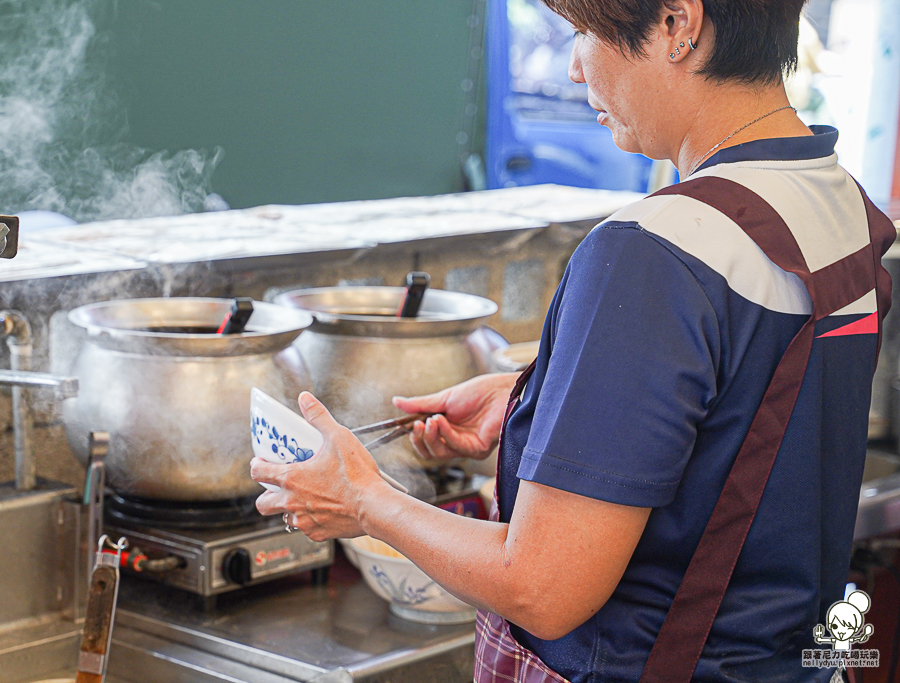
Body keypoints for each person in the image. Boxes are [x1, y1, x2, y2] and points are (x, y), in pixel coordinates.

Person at [251, 1, 895, 681]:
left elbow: (541, 588)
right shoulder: (843, 203)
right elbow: (756, 409)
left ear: (677, 24)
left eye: (585, 31)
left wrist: (365, 501)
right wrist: (548, 398)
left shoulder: (654, 253)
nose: (572, 61)